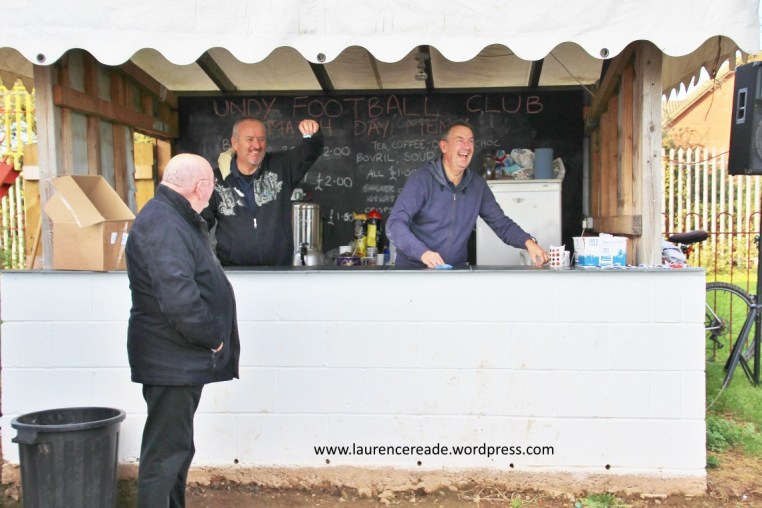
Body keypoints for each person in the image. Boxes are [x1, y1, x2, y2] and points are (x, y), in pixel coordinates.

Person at [126, 153, 240, 508]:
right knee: (165, 454)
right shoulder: (164, 223)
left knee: (177, 448)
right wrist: (214, 337)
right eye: (212, 186)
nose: (212, 193)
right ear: (201, 187)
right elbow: (179, 300)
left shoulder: (171, 217)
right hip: (170, 360)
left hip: (176, 359)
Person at [386, 121, 548, 268]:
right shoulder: (421, 179)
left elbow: (501, 224)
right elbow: (394, 224)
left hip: (454, 272)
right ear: (444, 146)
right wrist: (423, 253)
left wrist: (529, 242)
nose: (467, 146)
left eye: (470, 141)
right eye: (460, 140)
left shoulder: (477, 186)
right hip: (414, 271)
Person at [203, 116, 324, 266]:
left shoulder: (281, 166)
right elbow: (200, 224)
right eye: (249, 139)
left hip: (279, 271)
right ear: (235, 143)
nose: (256, 145)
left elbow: (310, 151)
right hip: (234, 272)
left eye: (261, 139)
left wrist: (312, 134)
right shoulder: (215, 180)